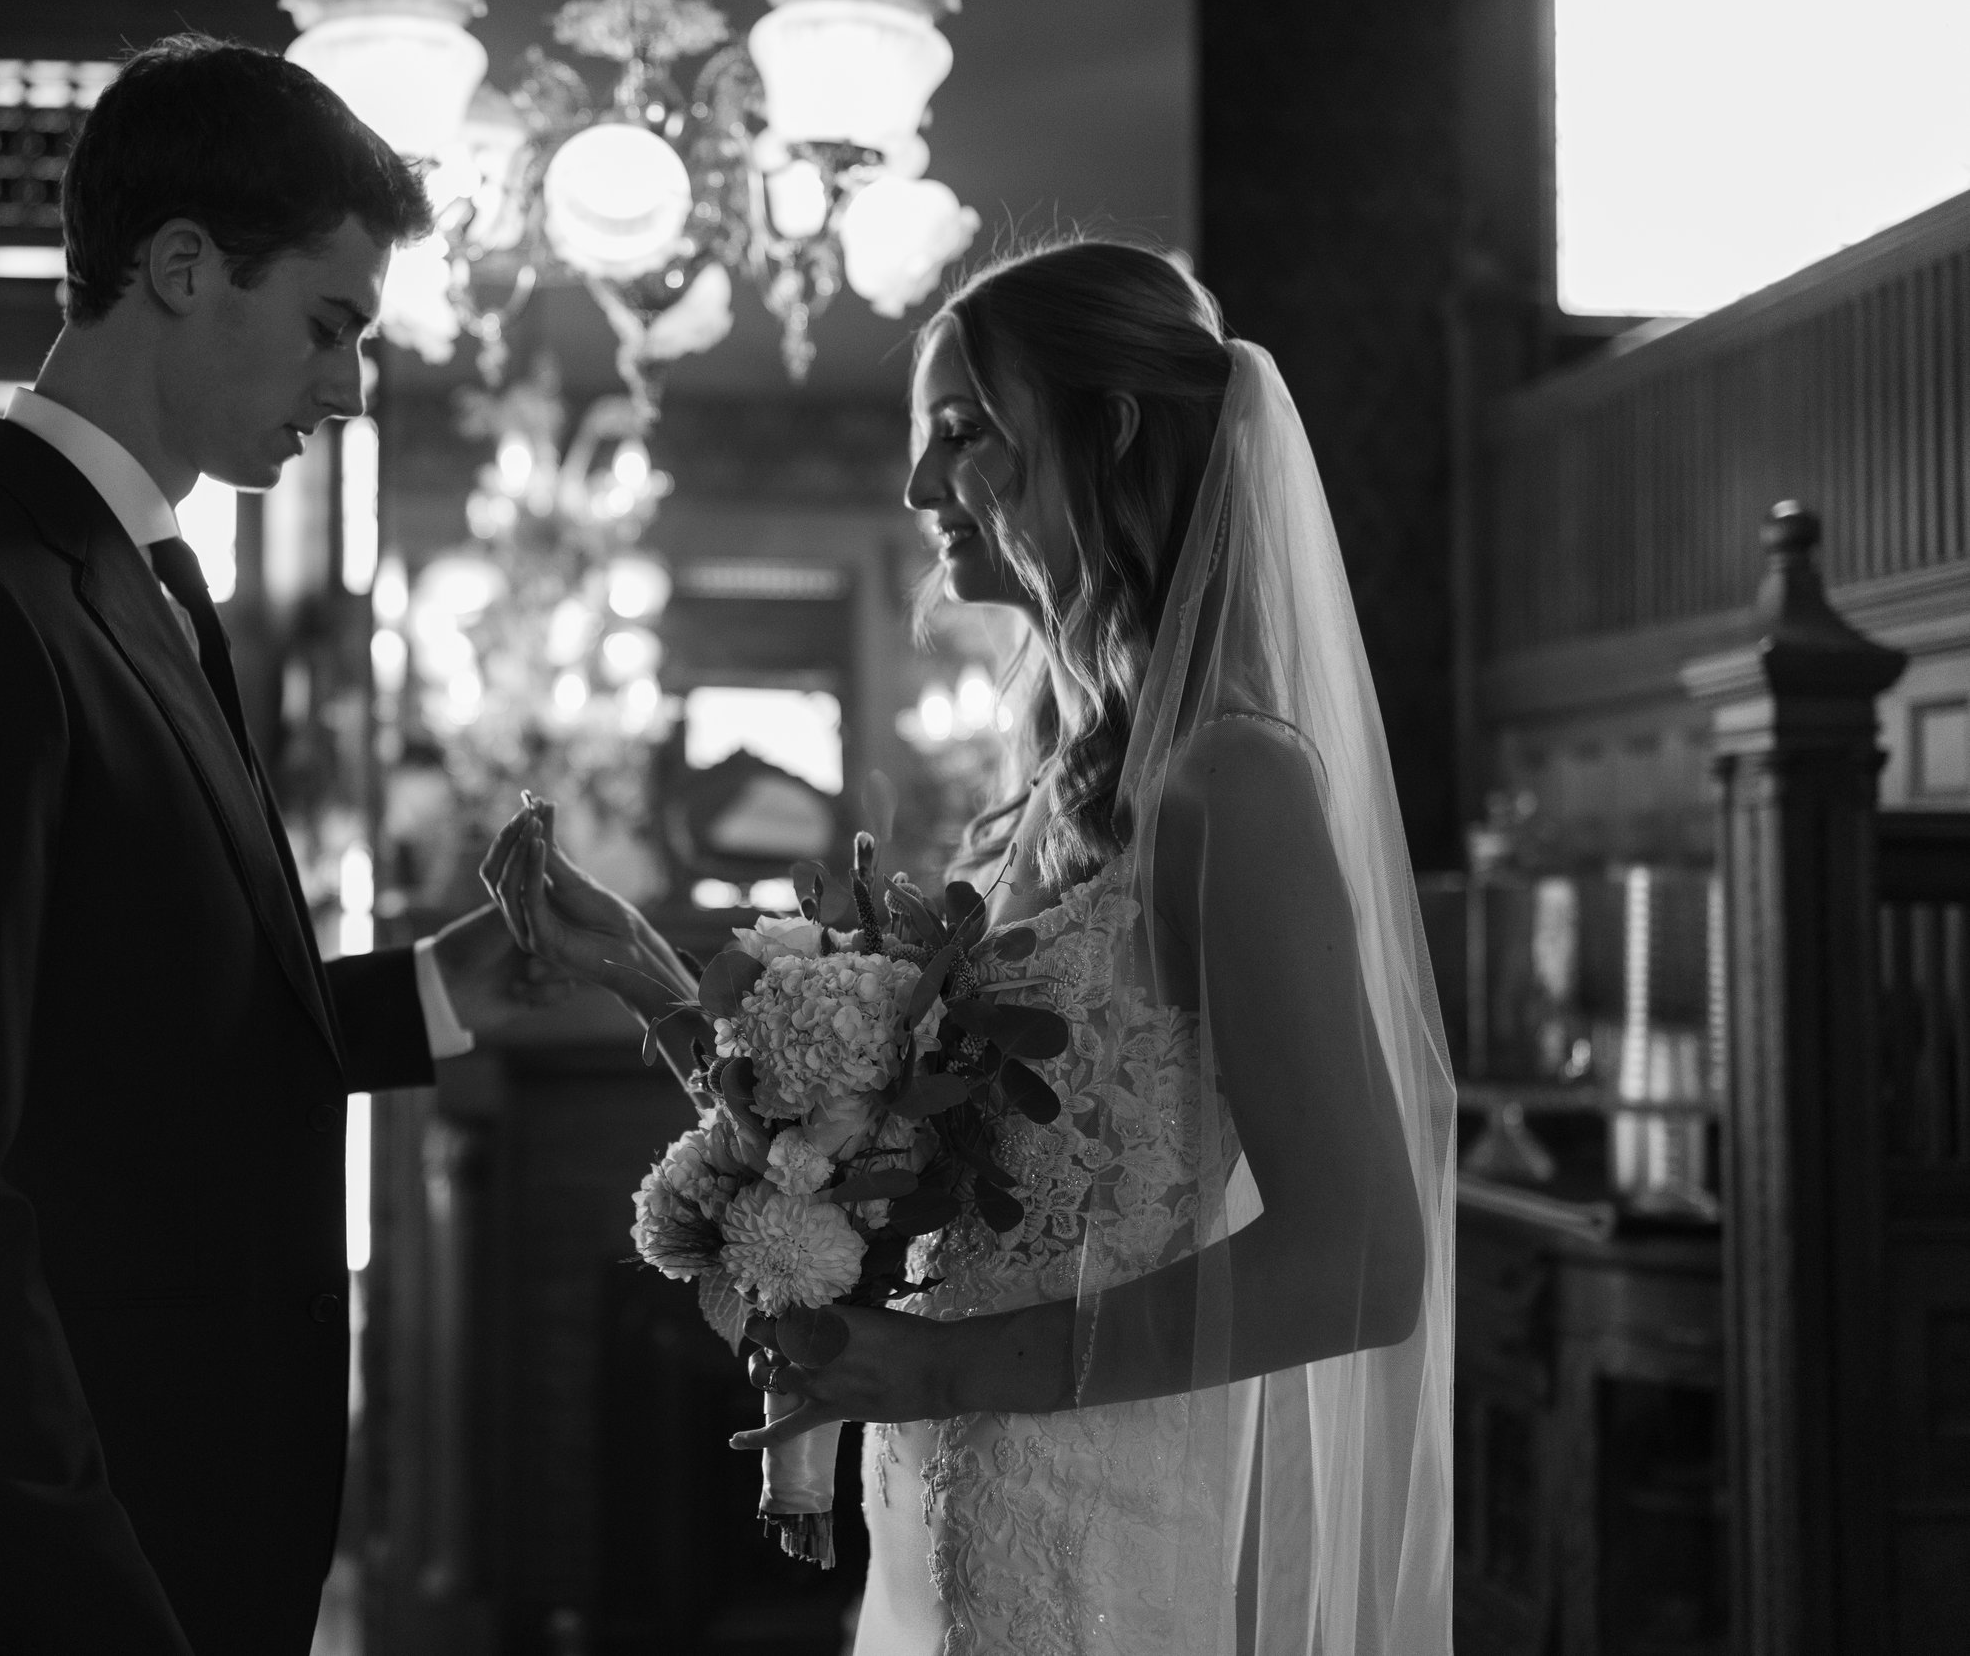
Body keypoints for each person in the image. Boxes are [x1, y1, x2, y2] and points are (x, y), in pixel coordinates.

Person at [485, 240, 1455, 1654]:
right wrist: (644, 971)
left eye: (963, 433)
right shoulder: (1047, 792)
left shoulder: (1233, 781)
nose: (920, 485)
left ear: (1109, 430)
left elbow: (1363, 1263)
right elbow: (919, 1162)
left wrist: (941, 1368)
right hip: (947, 1502)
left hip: (1094, 1540)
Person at [0, 36, 541, 1655]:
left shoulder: (133, 588)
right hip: (28, 1592)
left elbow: (136, 1042)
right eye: (331, 326)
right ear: (182, 267)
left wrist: (441, 988)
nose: (348, 386)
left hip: (178, 1536)